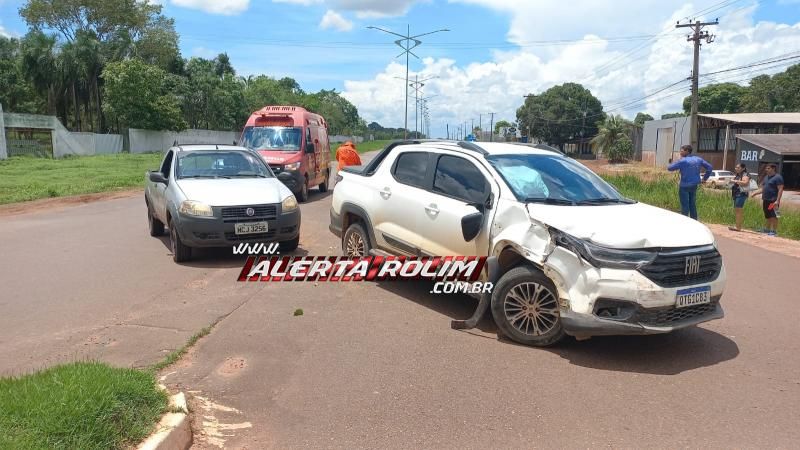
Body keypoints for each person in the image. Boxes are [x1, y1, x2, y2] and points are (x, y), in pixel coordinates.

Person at [667, 144, 713, 220]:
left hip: (684, 186)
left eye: (682, 151)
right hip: (694, 185)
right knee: (692, 203)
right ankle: (694, 220)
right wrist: (704, 178)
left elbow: (670, 168)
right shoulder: (698, 159)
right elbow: (710, 167)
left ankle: (685, 221)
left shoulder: (683, 160)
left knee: (685, 205)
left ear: (687, 151)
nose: (680, 153)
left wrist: (671, 162)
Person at [752, 163, 784, 236]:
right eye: (766, 168)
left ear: (773, 169)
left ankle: (774, 231)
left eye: (768, 168)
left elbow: (780, 189)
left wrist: (777, 200)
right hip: (766, 199)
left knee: (774, 215)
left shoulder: (778, 177)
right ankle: (767, 229)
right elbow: (763, 189)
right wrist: (755, 193)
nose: (766, 169)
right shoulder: (766, 177)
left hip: (773, 201)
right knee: (768, 215)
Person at [728, 163, 751, 231]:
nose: (736, 169)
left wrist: (734, 181)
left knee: (738, 210)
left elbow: (745, 183)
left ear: (743, 168)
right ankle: (737, 226)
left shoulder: (745, 174)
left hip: (741, 194)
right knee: (737, 210)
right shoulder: (738, 175)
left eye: (738, 167)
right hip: (736, 194)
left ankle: (738, 227)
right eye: (736, 167)